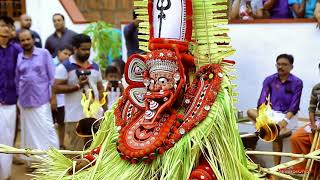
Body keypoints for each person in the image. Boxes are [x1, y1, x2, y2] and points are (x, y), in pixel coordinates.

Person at [247, 54, 303, 165]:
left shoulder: (297, 82)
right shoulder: (269, 79)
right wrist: (263, 116)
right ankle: (272, 128)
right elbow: (262, 100)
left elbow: (294, 106)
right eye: (279, 64)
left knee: (276, 135)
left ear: (291, 66)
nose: (280, 67)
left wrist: (284, 121)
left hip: (288, 115)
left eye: (284, 64)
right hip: (272, 114)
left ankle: (276, 167)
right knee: (250, 111)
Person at [16, 29, 59, 170]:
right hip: (24, 102)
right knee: (28, 132)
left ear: (33, 39)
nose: (26, 42)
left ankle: (51, 160)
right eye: (22, 40)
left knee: (46, 129)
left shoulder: (43, 54)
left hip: (41, 101)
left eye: (28, 39)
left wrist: (53, 98)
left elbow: (52, 78)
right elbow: (17, 79)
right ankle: (33, 161)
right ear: (20, 42)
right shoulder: (19, 57)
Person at [54, 34, 104, 150]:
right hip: (74, 117)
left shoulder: (95, 66)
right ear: (75, 49)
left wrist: (102, 103)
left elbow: (100, 87)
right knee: (77, 152)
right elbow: (56, 88)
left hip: (94, 116)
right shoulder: (65, 67)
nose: (87, 52)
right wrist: (77, 86)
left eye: (88, 49)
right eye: (83, 49)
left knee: (95, 151)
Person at [0, 15, 22, 180]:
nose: (5, 28)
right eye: (1, 25)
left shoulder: (17, 50)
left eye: (8, 25)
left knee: (7, 138)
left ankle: (5, 173)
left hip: (10, 101)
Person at [290, 64, 320, 179]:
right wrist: (312, 124)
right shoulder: (317, 88)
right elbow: (312, 109)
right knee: (296, 138)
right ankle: (305, 172)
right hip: (317, 122)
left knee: (317, 148)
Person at [51, 45, 73, 149]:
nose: (67, 56)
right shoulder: (51, 63)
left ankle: (60, 144)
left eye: (69, 54)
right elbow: (50, 83)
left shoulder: (68, 66)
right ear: (59, 52)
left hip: (63, 99)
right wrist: (53, 97)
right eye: (65, 53)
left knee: (61, 122)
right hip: (51, 98)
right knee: (49, 122)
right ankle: (50, 145)